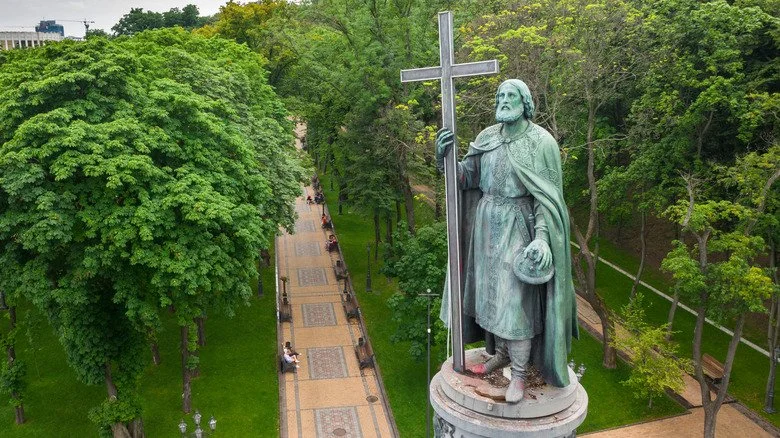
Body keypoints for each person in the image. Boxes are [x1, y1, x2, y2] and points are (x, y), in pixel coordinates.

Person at [436, 79, 577, 403]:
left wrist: (542, 239)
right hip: (486, 227)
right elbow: (465, 178)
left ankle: (521, 374)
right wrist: (444, 157)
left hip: (518, 226)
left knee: (515, 304)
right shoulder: (486, 138)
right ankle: (500, 354)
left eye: (510, 95)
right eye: (499, 95)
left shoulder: (541, 143)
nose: (502, 100)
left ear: (525, 102)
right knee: (491, 298)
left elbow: (548, 199)